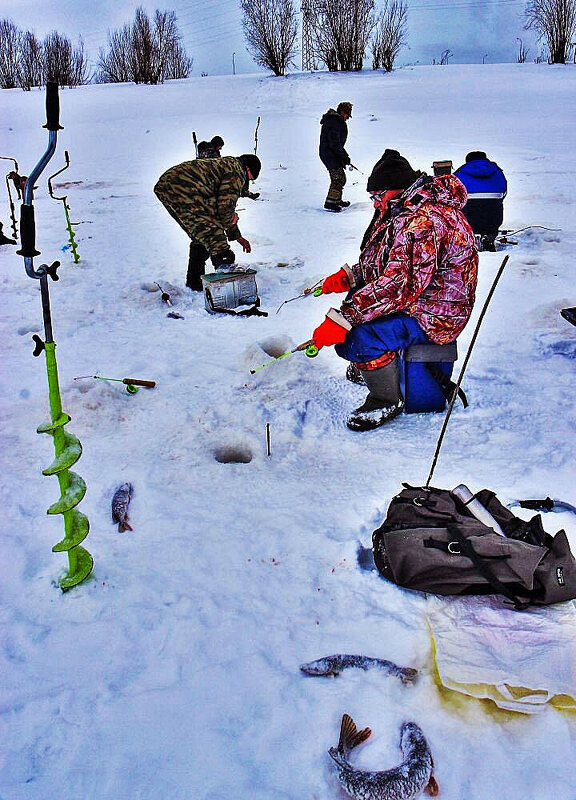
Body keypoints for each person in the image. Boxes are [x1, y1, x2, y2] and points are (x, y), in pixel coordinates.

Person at [309, 149, 478, 432]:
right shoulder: (403, 209)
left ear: (397, 188)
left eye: (378, 195)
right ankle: (378, 367)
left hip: (437, 314)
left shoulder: (424, 222)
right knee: (358, 312)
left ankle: (385, 397)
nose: (375, 203)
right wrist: (352, 277)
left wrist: (344, 318)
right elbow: (389, 263)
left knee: (356, 338)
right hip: (420, 300)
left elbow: (400, 285)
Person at [154, 154, 261, 291]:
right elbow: (225, 208)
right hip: (184, 188)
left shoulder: (228, 165)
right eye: (250, 178)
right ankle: (227, 291)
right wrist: (230, 220)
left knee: (202, 235)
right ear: (248, 169)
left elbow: (220, 209)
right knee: (216, 240)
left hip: (169, 185)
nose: (248, 182)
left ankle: (194, 284)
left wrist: (237, 237)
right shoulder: (236, 171)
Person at [454, 151, 507, 252]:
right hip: (493, 215)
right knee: (493, 214)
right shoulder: (497, 171)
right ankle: (489, 237)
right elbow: (504, 191)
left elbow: (453, 194)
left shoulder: (460, 173)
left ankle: (470, 239)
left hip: (468, 214)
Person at [319, 101, 353, 212]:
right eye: (347, 114)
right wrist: (344, 156)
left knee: (340, 178)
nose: (347, 117)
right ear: (342, 111)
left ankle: (336, 200)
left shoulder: (334, 121)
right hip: (329, 154)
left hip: (331, 153)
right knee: (338, 178)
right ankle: (330, 202)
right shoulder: (335, 122)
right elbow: (334, 143)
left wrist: (343, 156)